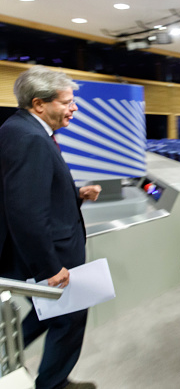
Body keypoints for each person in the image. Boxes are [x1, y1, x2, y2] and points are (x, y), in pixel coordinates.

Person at [0, 65, 101, 389]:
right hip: (47, 257)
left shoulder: (19, 129)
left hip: (33, 253)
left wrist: (75, 195)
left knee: (54, 314)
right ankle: (54, 384)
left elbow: (31, 192)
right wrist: (49, 268)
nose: (74, 108)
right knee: (70, 316)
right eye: (66, 101)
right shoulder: (30, 137)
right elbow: (26, 211)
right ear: (39, 103)